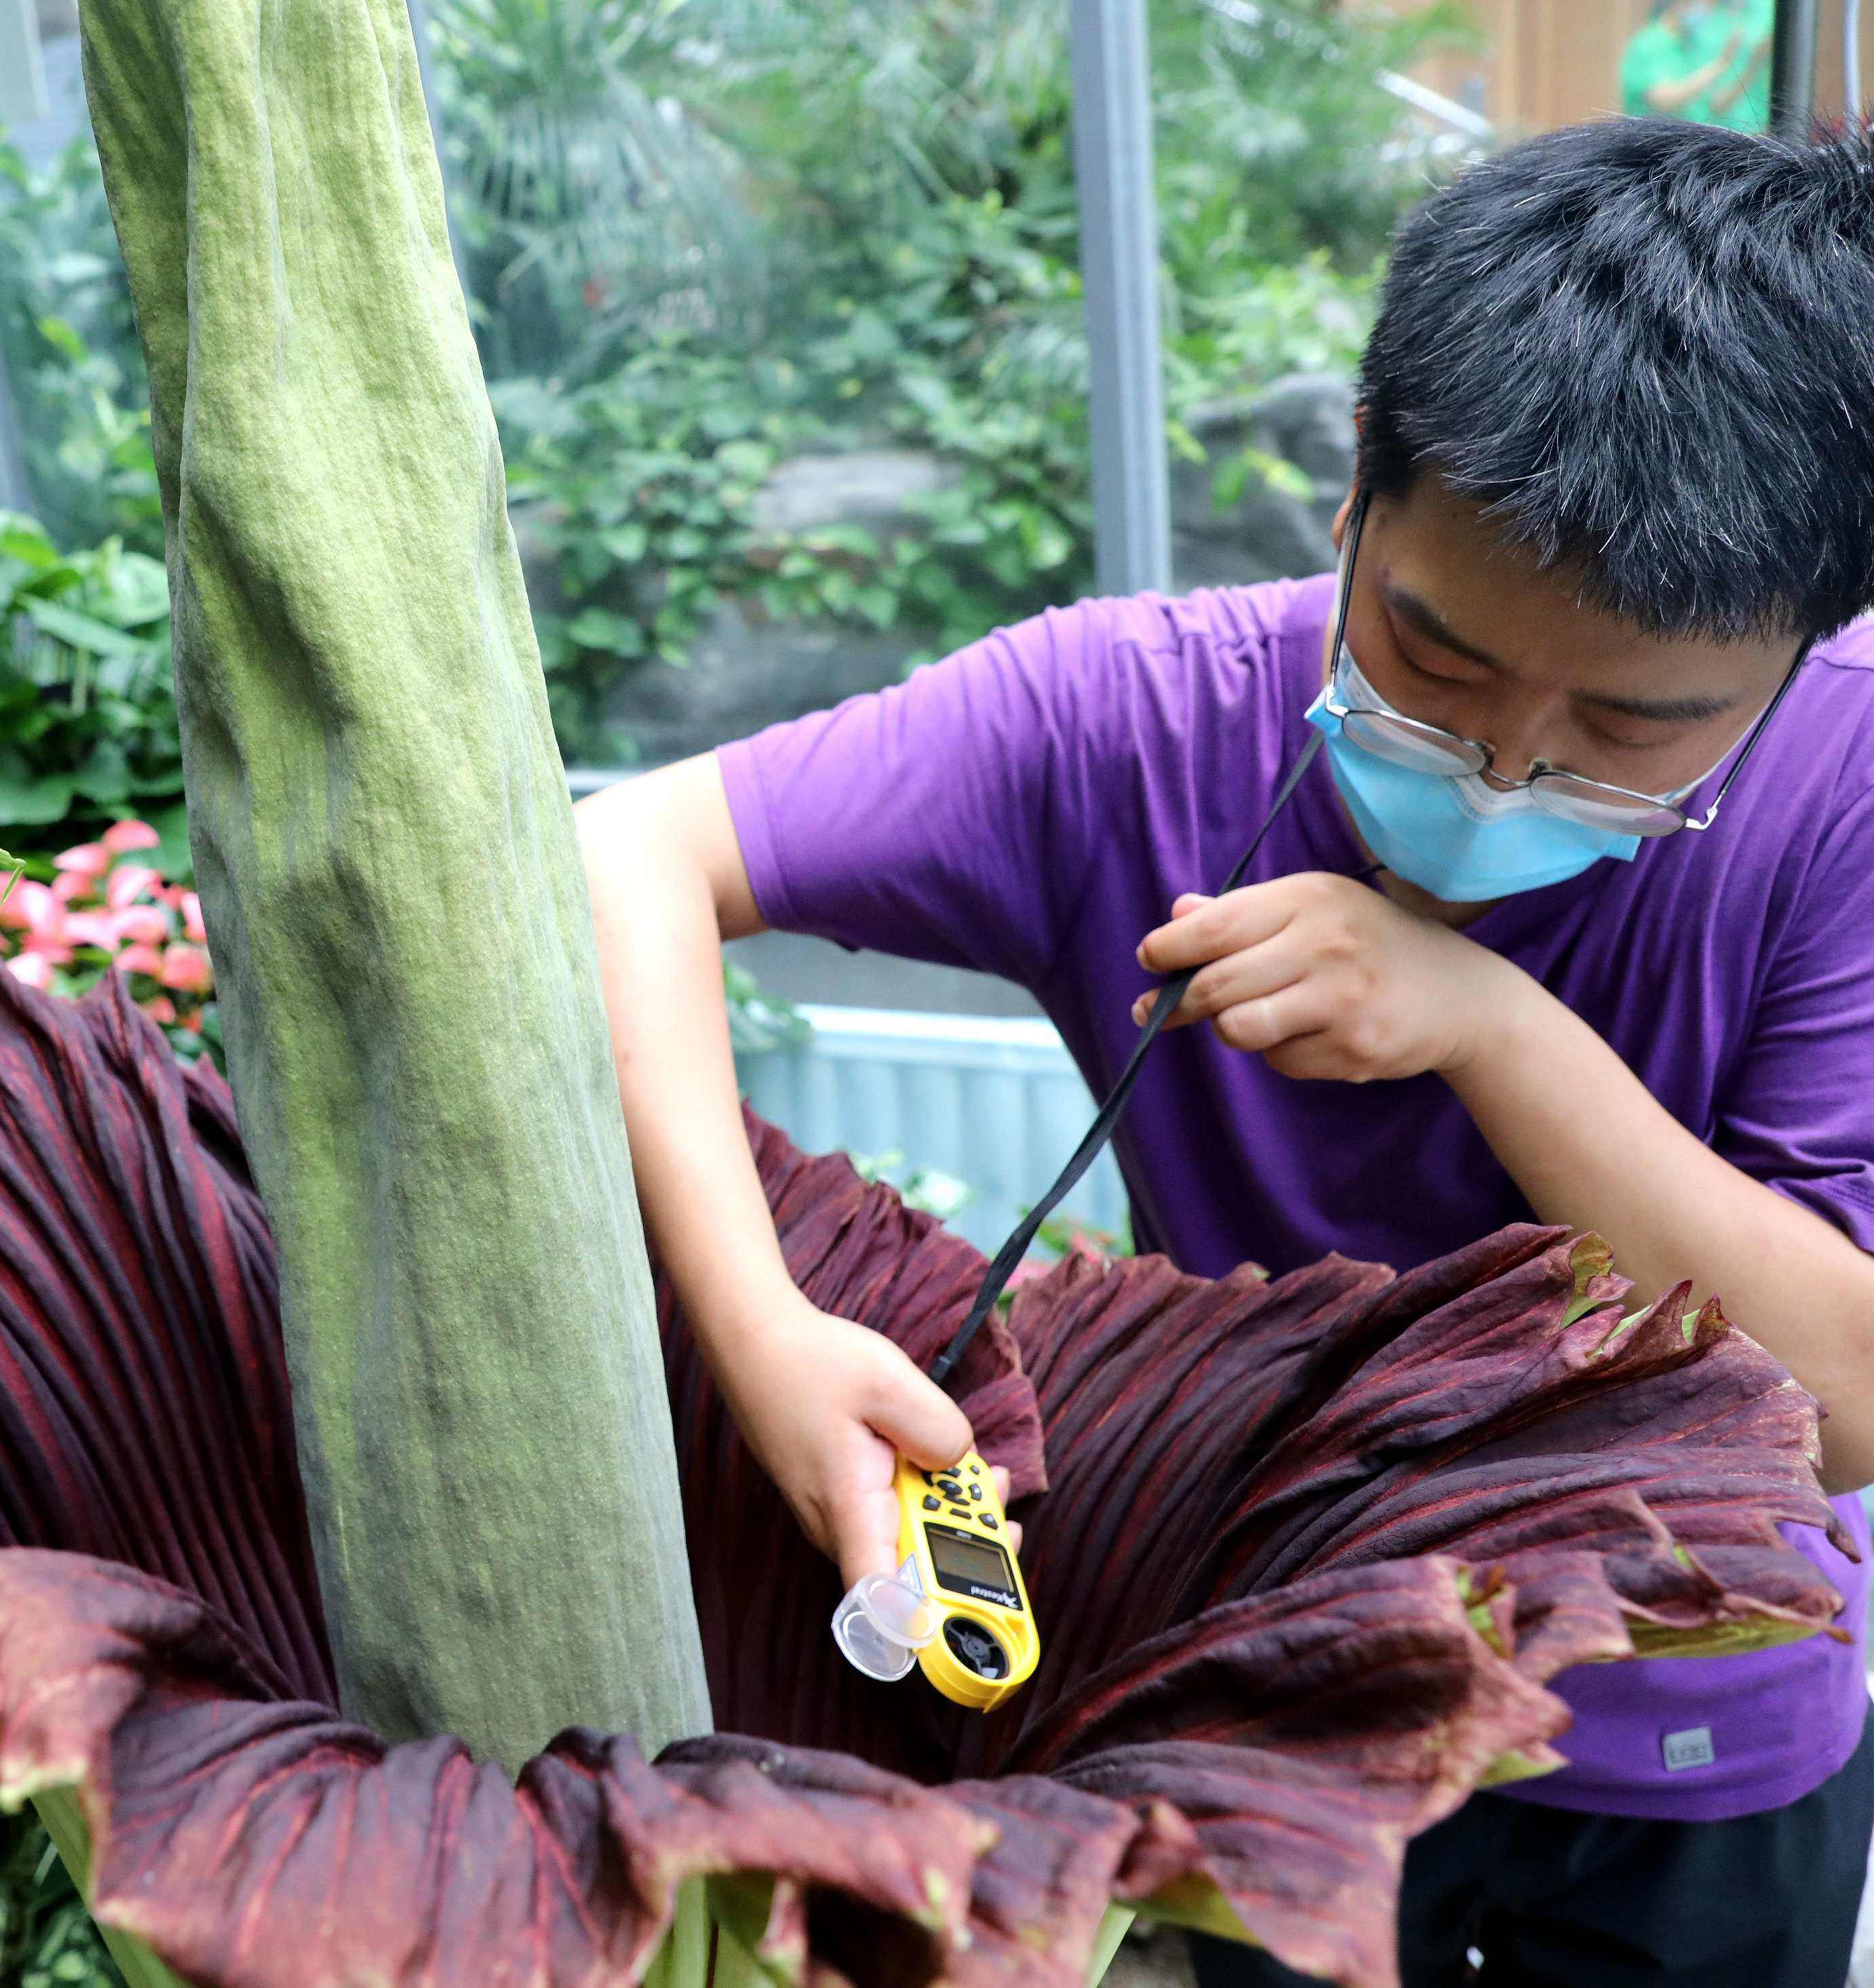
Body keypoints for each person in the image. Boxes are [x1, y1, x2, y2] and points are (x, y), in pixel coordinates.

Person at [578, 120, 1874, 1986]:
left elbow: (1839, 1399)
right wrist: (759, 1325)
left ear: (1803, 647)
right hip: (1277, 1700)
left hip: (1701, 1721)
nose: (1506, 766)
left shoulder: (1843, 796)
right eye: (1432, 658)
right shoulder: (1123, 717)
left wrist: (1490, 1027)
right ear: (1355, 490)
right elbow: (627, 854)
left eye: (1627, 724)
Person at [1620, 0, 1774, 131]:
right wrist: (1719, 66)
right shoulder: (1651, 43)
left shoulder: (1689, 46)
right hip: (1653, 148)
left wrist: (1753, 65)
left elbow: (1715, 106)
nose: (1707, 12)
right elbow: (1664, 101)